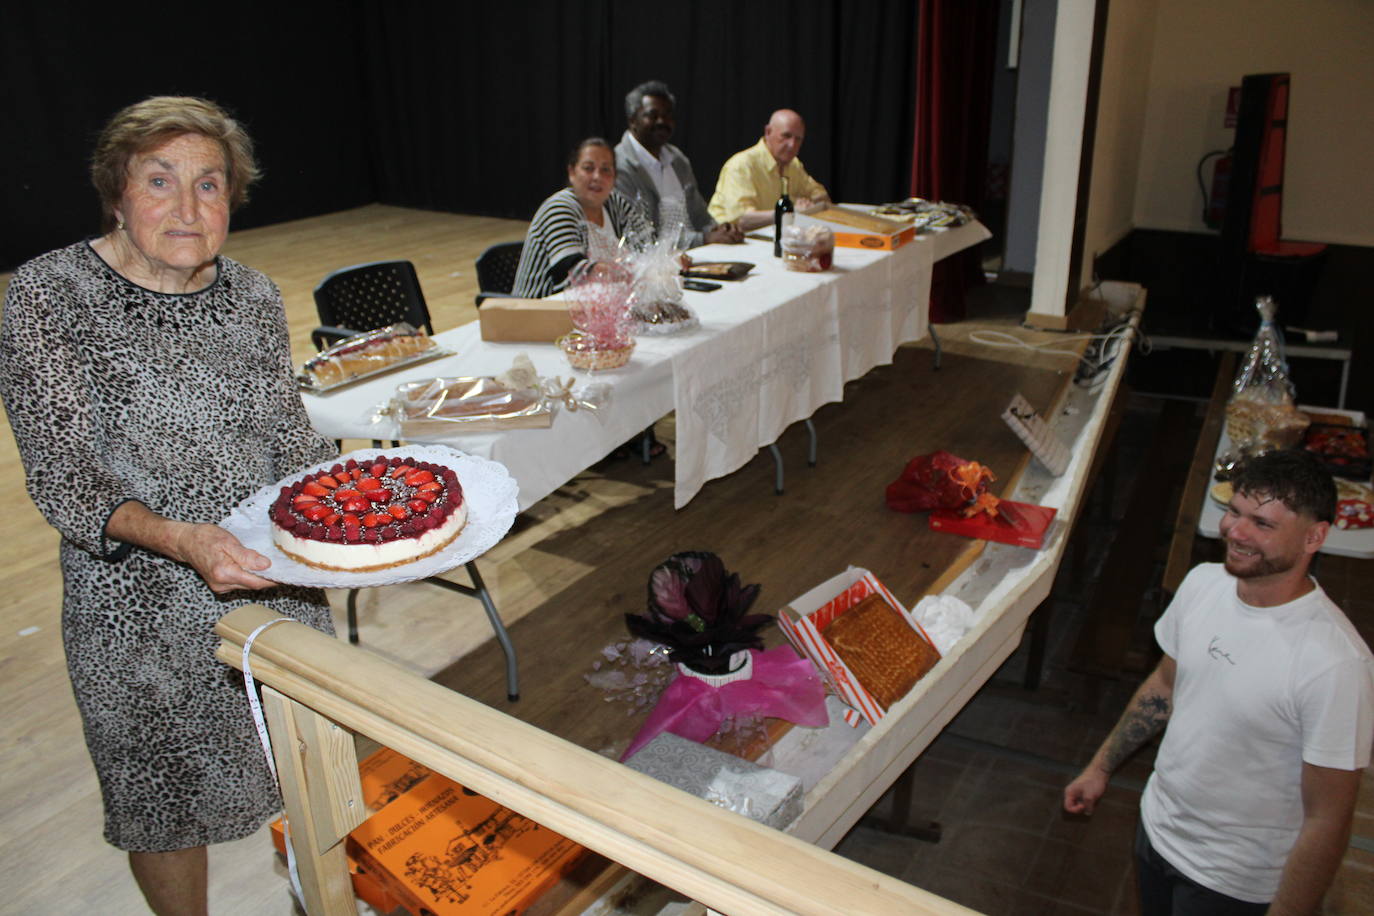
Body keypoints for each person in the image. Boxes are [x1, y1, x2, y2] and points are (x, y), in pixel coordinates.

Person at [0, 96, 338, 915]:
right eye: (160, 181)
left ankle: (316, 899)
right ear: (116, 192)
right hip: (136, 613)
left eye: (210, 185)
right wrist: (182, 539)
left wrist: (354, 511)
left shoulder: (252, 297)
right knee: (161, 800)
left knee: (303, 762)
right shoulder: (48, 296)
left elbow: (286, 436)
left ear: (234, 198)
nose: (188, 208)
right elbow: (64, 473)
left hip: (270, 581)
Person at [1063, 450, 1373, 915]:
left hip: (1234, 881)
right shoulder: (1202, 584)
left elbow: (1328, 819)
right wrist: (1101, 767)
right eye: (1234, 512)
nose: (1236, 532)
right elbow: (1164, 686)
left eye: (1263, 524)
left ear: (1314, 536)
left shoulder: (1335, 663)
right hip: (1158, 830)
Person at [512, 137, 651, 299]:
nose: (597, 176)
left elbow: (647, 243)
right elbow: (574, 272)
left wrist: (664, 260)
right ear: (572, 172)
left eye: (606, 170)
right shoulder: (559, 207)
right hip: (541, 311)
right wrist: (632, 273)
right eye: (588, 168)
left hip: (596, 307)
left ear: (614, 178)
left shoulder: (615, 204)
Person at [614, 80, 743, 249]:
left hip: (698, 256)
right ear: (632, 121)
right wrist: (704, 239)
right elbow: (640, 238)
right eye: (652, 115)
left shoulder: (677, 159)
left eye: (668, 115)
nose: (662, 121)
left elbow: (700, 216)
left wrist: (721, 229)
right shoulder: (617, 166)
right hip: (650, 267)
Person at [708, 108, 832, 231]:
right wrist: (790, 212)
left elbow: (822, 197)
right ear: (768, 132)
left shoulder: (794, 165)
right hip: (726, 241)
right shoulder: (741, 165)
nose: (792, 145)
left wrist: (808, 206)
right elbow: (742, 220)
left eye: (798, 139)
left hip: (766, 236)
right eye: (786, 136)